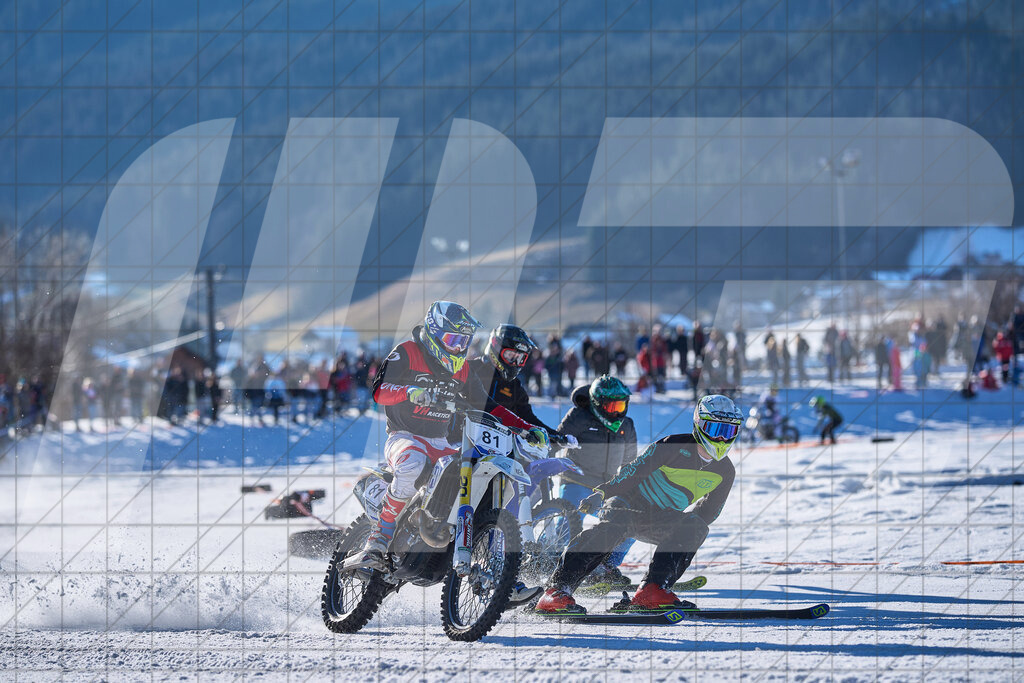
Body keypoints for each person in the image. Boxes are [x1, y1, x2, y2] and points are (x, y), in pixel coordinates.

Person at [346, 302, 550, 571]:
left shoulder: (462, 368)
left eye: (463, 341)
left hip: (441, 442)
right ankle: (379, 538)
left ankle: (484, 559)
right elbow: (380, 390)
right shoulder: (407, 352)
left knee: (471, 474)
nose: (457, 347)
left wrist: (524, 426)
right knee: (412, 464)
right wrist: (409, 391)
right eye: (452, 339)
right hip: (405, 436)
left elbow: (487, 404)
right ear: (433, 333)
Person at [535, 395, 741, 615]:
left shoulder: (725, 470)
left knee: (696, 527)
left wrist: (683, 532)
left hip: (659, 517)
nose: (720, 438)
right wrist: (602, 493)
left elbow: (708, 513)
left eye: (728, 432)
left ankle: (653, 589)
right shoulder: (672, 446)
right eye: (714, 429)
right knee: (610, 531)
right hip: (627, 503)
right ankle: (557, 590)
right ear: (699, 425)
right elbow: (630, 474)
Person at [555, 375, 637, 588]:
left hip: (604, 489)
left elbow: (630, 464)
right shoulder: (579, 417)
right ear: (597, 404)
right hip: (576, 481)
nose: (617, 412)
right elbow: (557, 440)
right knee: (568, 520)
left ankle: (606, 566)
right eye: (612, 406)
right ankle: (556, 564)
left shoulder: (626, 426)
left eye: (621, 405)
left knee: (632, 522)